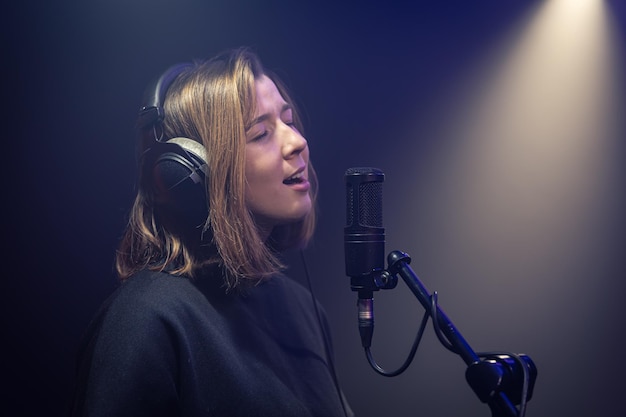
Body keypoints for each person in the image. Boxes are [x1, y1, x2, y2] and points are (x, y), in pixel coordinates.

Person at [70, 47, 353, 417]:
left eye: (289, 120)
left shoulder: (303, 310)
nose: (296, 142)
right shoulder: (145, 321)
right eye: (261, 133)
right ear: (194, 173)